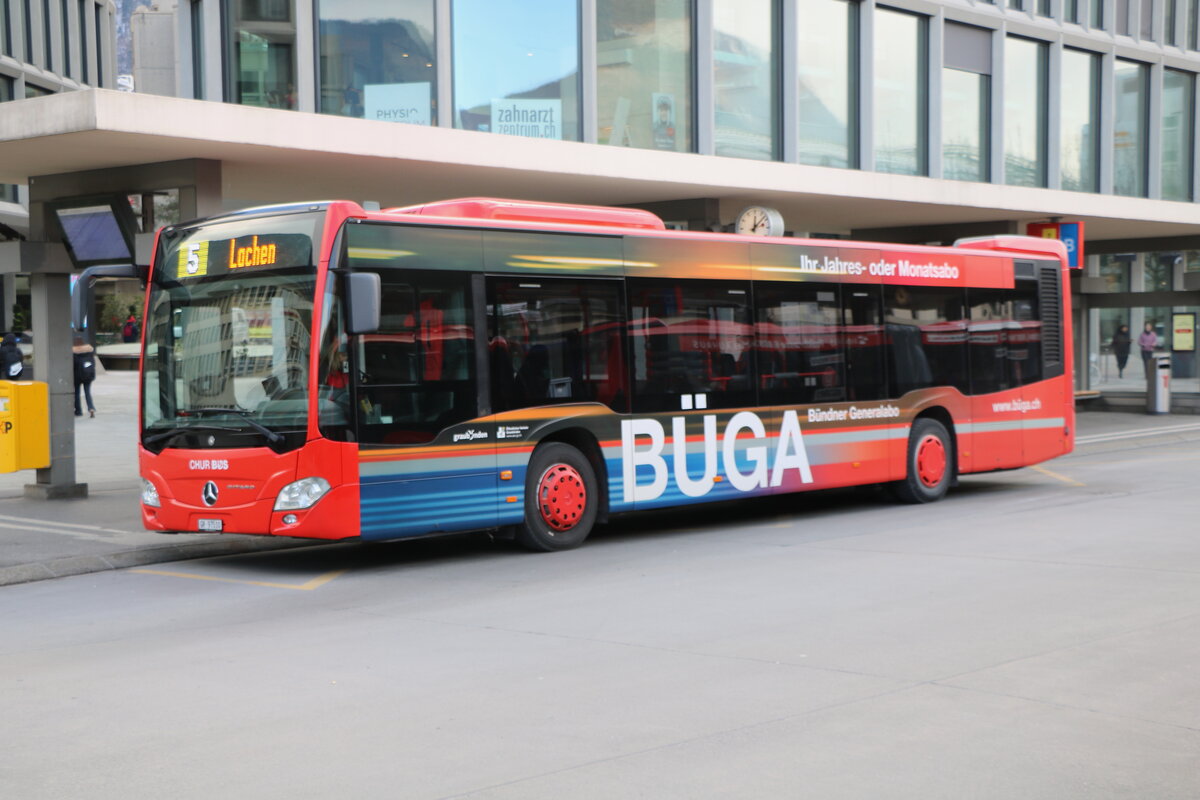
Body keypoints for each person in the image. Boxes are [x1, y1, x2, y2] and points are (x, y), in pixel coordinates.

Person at [72, 336, 97, 417]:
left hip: (77, 376)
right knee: (87, 393)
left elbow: (74, 365)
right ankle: (91, 408)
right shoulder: (89, 351)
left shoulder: (74, 353)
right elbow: (93, 363)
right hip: (88, 375)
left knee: (77, 393)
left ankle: (78, 411)